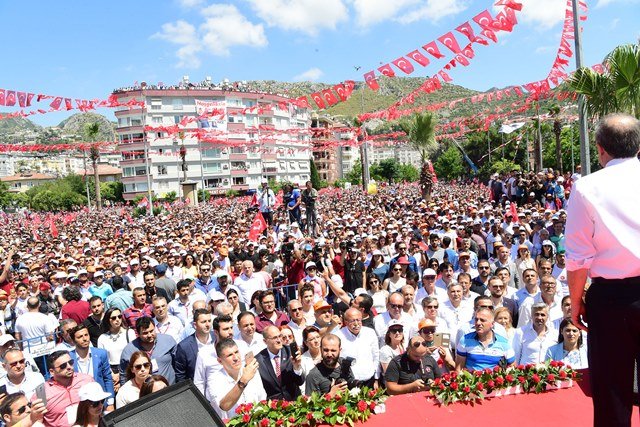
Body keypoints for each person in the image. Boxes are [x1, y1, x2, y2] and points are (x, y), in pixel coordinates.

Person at [566, 116, 640, 427]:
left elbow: (578, 258)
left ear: (600, 150)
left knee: (612, 393)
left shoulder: (586, 187)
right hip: (613, 298)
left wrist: (575, 303)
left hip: (611, 300)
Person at [205, 338, 266, 420]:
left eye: (236, 352)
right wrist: (244, 380)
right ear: (220, 361)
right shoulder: (214, 379)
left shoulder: (250, 369)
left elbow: (262, 398)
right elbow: (224, 406)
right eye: (230, 355)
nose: (236, 358)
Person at [42, 350, 95, 427]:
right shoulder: (42, 393)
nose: (69, 367)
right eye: (63, 366)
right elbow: (38, 421)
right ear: (52, 371)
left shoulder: (87, 380)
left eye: (70, 362)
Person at [119, 317, 177, 386]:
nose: (149, 335)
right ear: (138, 333)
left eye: (151, 331)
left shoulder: (168, 340)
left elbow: (178, 364)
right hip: (144, 393)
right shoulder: (129, 351)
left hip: (170, 388)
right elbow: (124, 376)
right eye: (145, 333)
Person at [69, 325, 115, 411]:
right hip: (80, 404)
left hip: (101, 402)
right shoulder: (68, 358)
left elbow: (107, 378)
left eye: (86, 335)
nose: (85, 339)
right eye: (80, 337)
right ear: (73, 341)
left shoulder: (101, 354)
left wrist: (110, 402)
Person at [255, 325, 304, 401]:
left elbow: (300, 381)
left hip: (294, 402)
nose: (279, 340)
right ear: (265, 341)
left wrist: (297, 367)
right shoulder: (258, 360)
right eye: (275, 338)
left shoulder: (290, 352)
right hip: (274, 407)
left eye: (280, 336)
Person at [334, 308, 379, 388]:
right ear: (346, 322)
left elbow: (376, 356)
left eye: (358, 320)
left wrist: (376, 379)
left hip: (369, 381)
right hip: (350, 382)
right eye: (352, 321)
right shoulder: (338, 336)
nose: (356, 324)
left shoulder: (370, 333)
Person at [96, 308, 136, 391]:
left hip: (128, 369)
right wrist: (114, 376)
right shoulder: (102, 338)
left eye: (119, 316)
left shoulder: (129, 333)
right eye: (113, 318)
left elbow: (134, 354)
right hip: (111, 373)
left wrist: (121, 376)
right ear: (107, 320)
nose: (117, 320)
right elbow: (102, 360)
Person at [174, 308, 214, 382]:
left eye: (209, 321)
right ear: (195, 325)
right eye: (203, 322)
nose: (208, 324)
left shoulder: (217, 338)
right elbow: (180, 375)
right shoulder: (184, 347)